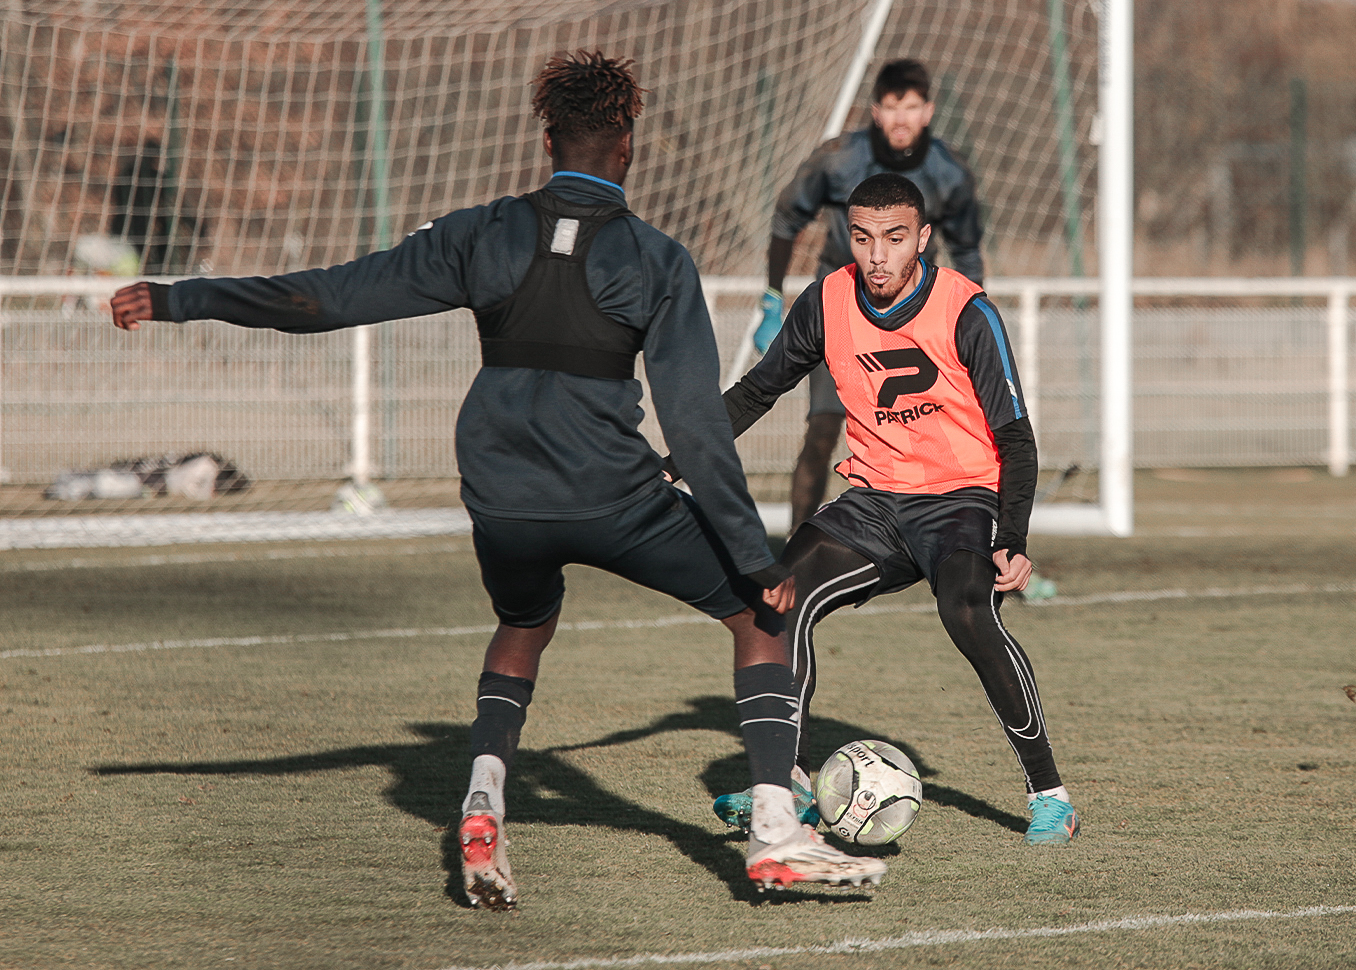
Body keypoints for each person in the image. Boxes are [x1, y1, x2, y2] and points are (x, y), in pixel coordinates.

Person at [108, 51, 887, 905]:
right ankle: (777, 831)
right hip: (614, 496)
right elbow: (696, 430)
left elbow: (328, 299)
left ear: (547, 141)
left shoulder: (479, 232)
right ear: (627, 146)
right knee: (757, 622)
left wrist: (183, 297)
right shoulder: (658, 260)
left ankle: (483, 798)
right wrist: (758, 556)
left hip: (500, 495)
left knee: (522, 624)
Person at [704, 171, 1077, 846]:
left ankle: (1050, 795)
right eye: (864, 237)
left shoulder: (968, 311)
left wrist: (1012, 536)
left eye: (895, 238)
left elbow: (1016, 439)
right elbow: (759, 390)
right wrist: (683, 453)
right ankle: (788, 783)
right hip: (875, 500)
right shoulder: (828, 300)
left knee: (966, 612)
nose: (877, 256)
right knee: (777, 600)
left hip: (962, 499)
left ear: (923, 239)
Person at [757, 58, 985, 530]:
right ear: (875, 111)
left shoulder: (951, 171)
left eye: (912, 106)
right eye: (890, 106)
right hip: (841, 313)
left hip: (919, 319)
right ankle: (798, 549)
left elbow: (968, 250)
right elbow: (786, 219)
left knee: (933, 434)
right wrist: (772, 299)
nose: (901, 118)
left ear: (928, 111)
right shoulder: (839, 157)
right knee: (822, 431)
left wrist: (974, 319)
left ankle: (958, 542)